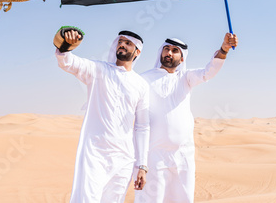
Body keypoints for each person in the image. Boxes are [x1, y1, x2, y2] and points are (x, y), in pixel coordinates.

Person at [134, 33, 238, 203]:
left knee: (183, 198)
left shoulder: (186, 78)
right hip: (154, 155)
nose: (169, 53)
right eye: (166, 49)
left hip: (183, 155)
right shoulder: (144, 79)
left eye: (175, 51)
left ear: (181, 58)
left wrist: (224, 49)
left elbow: (208, 72)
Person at [55, 30, 150, 202]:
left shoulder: (141, 85)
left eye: (128, 43)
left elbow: (142, 126)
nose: (122, 44)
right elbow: (69, 62)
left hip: (124, 158)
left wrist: (142, 165)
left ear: (137, 52)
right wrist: (66, 46)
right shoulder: (99, 70)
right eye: (121, 41)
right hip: (95, 154)